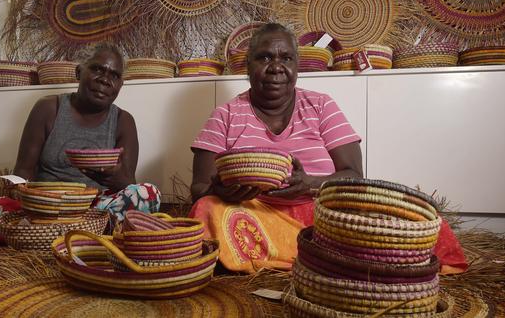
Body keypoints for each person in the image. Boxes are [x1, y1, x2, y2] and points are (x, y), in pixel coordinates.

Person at [189, 23, 467, 274]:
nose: (276, 67)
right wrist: (220, 190)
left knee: (411, 218)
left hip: (321, 215)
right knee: (207, 209)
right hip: (252, 216)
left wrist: (308, 184)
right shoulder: (225, 115)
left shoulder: (321, 105)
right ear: (247, 65)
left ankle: (289, 254)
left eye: (286, 58)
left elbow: (354, 174)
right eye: (264, 58)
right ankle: (336, 257)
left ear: (297, 66)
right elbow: (199, 188)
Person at [13, 44, 160, 221]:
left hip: (95, 209)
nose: (105, 80)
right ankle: (66, 228)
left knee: (148, 194)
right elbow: (23, 171)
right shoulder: (48, 108)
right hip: (46, 205)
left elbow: (129, 186)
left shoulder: (123, 121)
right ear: (78, 72)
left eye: (114, 76)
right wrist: (30, 203)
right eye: (98, 69)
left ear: (120, 85)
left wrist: (112, 176)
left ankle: (67, 228)